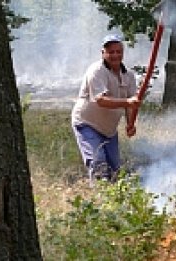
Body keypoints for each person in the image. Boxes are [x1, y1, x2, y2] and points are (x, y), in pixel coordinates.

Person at [71, 34, 139, 183]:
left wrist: (130, 124)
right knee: (99, 164)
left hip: (109, 130)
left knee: (115, 170)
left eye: (118, 51)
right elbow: (100, 100)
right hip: (87, 124)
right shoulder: (97, 71)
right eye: (111, 52)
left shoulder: (129, 76)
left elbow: (131, 104)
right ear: (103, 53)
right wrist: (128, 102)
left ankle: (114, 202)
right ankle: (99, 200)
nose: (115, 55)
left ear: (122, 52)